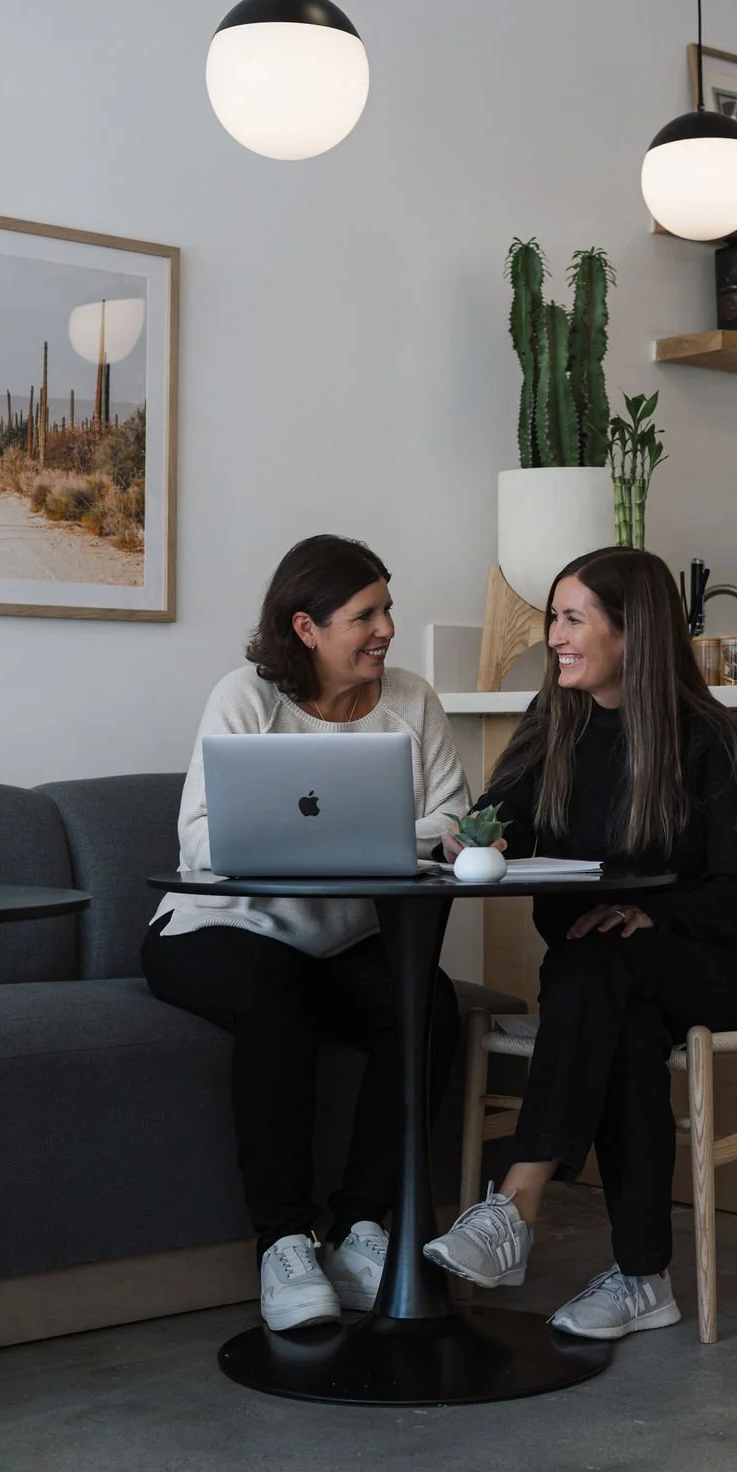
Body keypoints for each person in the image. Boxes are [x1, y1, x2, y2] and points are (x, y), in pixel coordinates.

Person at [423, 546, 737, 1341]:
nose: (554, 637)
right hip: (601, 977)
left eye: (573, 618)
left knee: (601, 970)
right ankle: (643, 1278)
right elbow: (486, 822)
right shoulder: (554, 728)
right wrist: (468, 839)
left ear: (632, 632)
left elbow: (735, 893)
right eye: (555, 617)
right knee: (616, 1017)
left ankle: (516, 1204)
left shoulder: (706, 739)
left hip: (706, 968)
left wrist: (657, 916)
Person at [141, 535, 468, 1332]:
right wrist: (386, 835)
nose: (386, 627)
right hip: (219, 929)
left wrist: (358, 836)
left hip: (340, 942)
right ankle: (283, 1243)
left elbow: (455, 819)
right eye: (365, 614)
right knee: (273, 1003)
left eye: (388, 606)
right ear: (306, 628)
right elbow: (199, 842)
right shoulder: (247, 698)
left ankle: (362, 1229)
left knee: (428, 1005)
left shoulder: (414, 700)